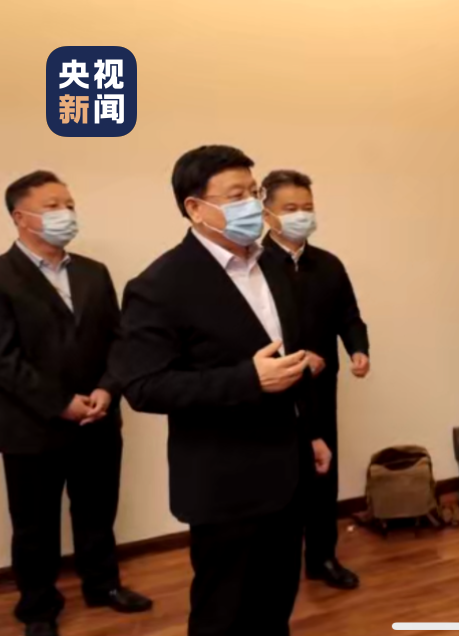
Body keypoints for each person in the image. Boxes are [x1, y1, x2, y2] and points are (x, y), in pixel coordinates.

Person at [112, 146, 332, 636]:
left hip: (288, 468)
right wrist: (247, 379)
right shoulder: (160, 284)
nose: (253, 205)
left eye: (254, 192)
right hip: (225, 482)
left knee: (276, 604)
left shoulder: (272, 266)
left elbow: (288, 357)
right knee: (223, 613)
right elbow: (144, 386)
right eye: (236, 196)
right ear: (195, 207)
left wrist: (312, 432)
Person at [0, 172, 152, 636]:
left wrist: (108, 388)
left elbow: (119, 339)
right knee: (34, 525)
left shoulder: (93, 272)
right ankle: (38, 607)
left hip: (98, 418)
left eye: (68, 203)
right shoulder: (2, 276)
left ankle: (103, 585)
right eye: (52, 205)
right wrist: (59, 402)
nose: (66, 213)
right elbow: (4, 359)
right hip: (32, 426)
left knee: (97, 511)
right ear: (21, 217)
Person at [259, 169, 370, 591]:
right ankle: (278, 562)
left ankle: (323, 556)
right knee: (282, 475)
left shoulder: (328, 264)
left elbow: (349, 315)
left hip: (322, 388)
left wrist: (358, 348)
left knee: (323, 472)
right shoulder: (254, 266)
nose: (301, 215)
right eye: (290, 208)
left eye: (307, 207)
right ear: (268, 214)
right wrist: (297, 360)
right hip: (274, 390)